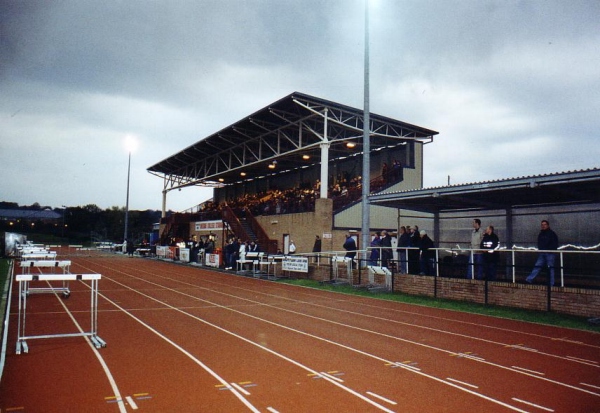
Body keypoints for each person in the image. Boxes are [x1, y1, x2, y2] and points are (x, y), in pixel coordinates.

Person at [526, 220, 559, 286]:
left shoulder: (551, 234)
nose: (543, 226)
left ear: (548, 225)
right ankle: (529, 279)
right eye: (542, 225)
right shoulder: (542, 234)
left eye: (544, 224)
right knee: (538, 266)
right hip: (543, 252)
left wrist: (549, 249)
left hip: (549, 253)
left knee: (549, 268)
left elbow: (554, 243)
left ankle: (551, 283)